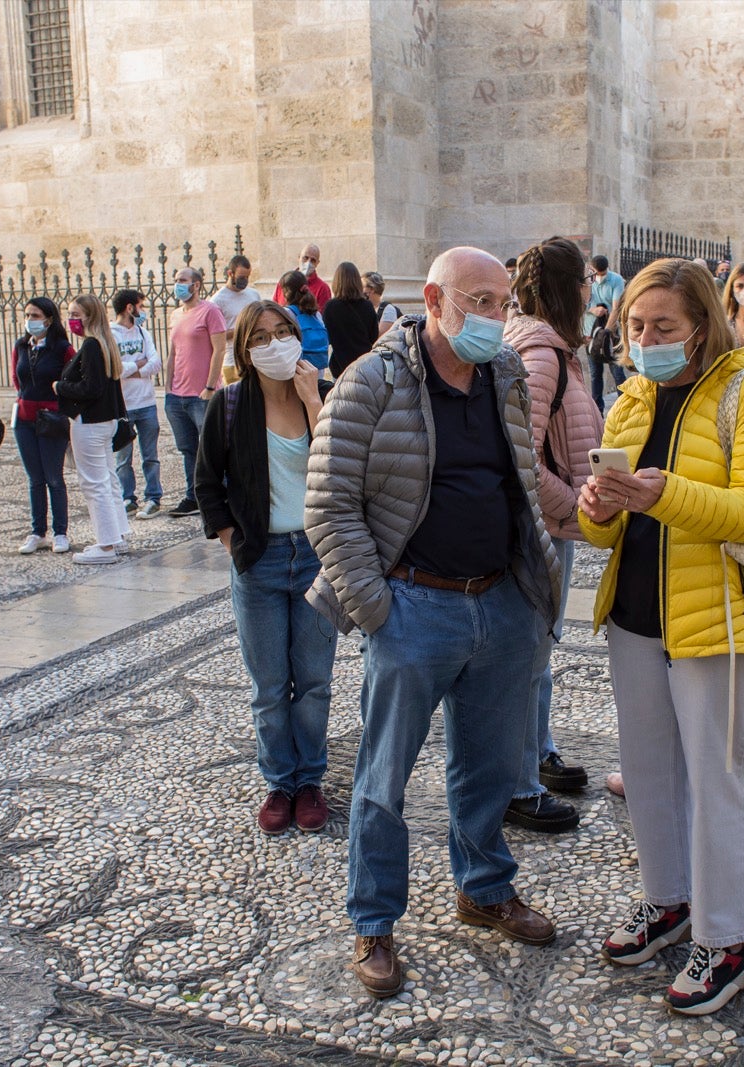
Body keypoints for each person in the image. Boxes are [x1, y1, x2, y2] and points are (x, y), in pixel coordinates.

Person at [304, 246, 562, 999]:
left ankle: (484, 887)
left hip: (500, 602)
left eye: (501, 301)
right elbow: (328, 502)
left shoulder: (505, 375)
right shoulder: (371, 381)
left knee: (488, 768)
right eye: (476, 299)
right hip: (414, 604)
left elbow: (518, 478)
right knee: (384, 777)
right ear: (433, 298)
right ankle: (375, 920)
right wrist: (377, 607)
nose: (492, 315)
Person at [579, 258, 744, 1016]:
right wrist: (599, 507)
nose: (645, 339)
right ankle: (666, 900)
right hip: (634, 614)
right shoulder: (631, 398)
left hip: (714, 622)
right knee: (648, 768)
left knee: (718, 777)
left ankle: (729, 936)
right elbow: (602, 533)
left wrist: (666, 493)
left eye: (662, 326)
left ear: (701, 323)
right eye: (635, 326)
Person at [194, 300, 336, 835]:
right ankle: (281, 780)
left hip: (317, 555)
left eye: (284, 332)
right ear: (245, 349)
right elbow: (207, 485)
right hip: (260, 558)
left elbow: (340, 461)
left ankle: (310, 781)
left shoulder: (319, 396)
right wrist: (234, 541)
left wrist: (309, 397)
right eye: (262, 337)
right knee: (270, 684)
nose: (275, 344)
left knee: (315, 680)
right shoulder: (229, 404)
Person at [503, 237, 603, 834]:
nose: (592, 291)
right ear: (568, 290)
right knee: (530, 655)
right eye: (585, 283)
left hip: (552, 522)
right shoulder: (542, 356)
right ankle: (520, 786)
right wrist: (573, 503)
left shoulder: (553, 349)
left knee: (539, 653)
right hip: (542, 524)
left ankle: (537, 753)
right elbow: (521, 456)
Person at [56, 295, 129, 565]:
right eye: (70, 312)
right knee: (107, 479)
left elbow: (91, 388)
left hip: (90, 422)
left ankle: (106, 544)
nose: (72, 319)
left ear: (90, 316)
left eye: (77, 313)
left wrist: (60, 387)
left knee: (94, 483)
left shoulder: (91, 346)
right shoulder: (105, 343)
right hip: (106, 421)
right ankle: (118, 535)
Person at [11, 297, 72, 554]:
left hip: (51, 419)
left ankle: (60, 531)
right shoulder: (22, 346)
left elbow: (71, 379)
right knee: (34, 478)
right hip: (24, 418)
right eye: (27, 315)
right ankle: (38, 531)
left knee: (54, 477)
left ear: (48, 319)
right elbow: (17, 378)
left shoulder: (62, 348)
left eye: (35, 316)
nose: (30, 321)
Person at [164, 267, 226, 518]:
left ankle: (222, 495)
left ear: (196, 284)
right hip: (176, 396)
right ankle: (193, 496)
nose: (178, 285)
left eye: (183, 280)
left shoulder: (210, 311)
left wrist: (210, 387)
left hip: (202, 394)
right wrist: (168, 387)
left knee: (212, 447)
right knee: (187, 449)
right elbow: (173, 352)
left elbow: (219, 350)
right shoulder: (176, 315)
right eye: (176, 280)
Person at [110, 289, 163, 519]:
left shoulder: (143, 333)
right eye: (141, 306)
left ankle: (153, 497)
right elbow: (115, 369)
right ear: (130, 308)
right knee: (123, 459)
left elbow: (156, 362)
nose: (143, 311)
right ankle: (128, 498)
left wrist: (131, 368)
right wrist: (138, 366)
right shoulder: (111, 335)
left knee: (150, 455)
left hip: (146, 402)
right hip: (123, 405)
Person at [587, 255, 628, 413]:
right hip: (591, 331)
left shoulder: (616, 280)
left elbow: (616, 307)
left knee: (617, 371)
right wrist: (593, 310)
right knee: (595, 373)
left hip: (610, 333)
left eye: (602, 274)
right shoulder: (587, 280)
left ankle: (625, 406)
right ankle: (597, 409)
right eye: (598, 274)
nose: (600, 277)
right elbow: (581, 304)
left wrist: (607, 332)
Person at [212, 255, 261, 386]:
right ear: (230, 273)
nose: (244, 281)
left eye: (247, 277)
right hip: (231, 361)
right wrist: (242, 328)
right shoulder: (217, 301)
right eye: (241, 277)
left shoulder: (253, 295)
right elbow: (215, 336)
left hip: (255, 359)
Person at [323, 261, 379, 377]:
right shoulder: (367, 306)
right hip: (364, 365)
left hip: (339, 366)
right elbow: (374, 337)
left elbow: (327, 338)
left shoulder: (330, 307)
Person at [278, 271, 329, 372]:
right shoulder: (315, 314)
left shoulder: (287, 314)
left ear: (286, 292)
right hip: (318, 369)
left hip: (298, 370)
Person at [273, 244, 333, 309]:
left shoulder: (323, 288)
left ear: (317, 263)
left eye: (313, 260)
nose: (308, 262)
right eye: (305, 258)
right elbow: (274, 308)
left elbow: (321, 317)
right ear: (299, 258)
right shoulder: (285, 281)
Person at [363, 271, 401, 340]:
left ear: (372, 289)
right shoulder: (366, 309)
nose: (360, 290)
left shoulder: (388, 310)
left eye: (362, 287)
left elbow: (380, 338)